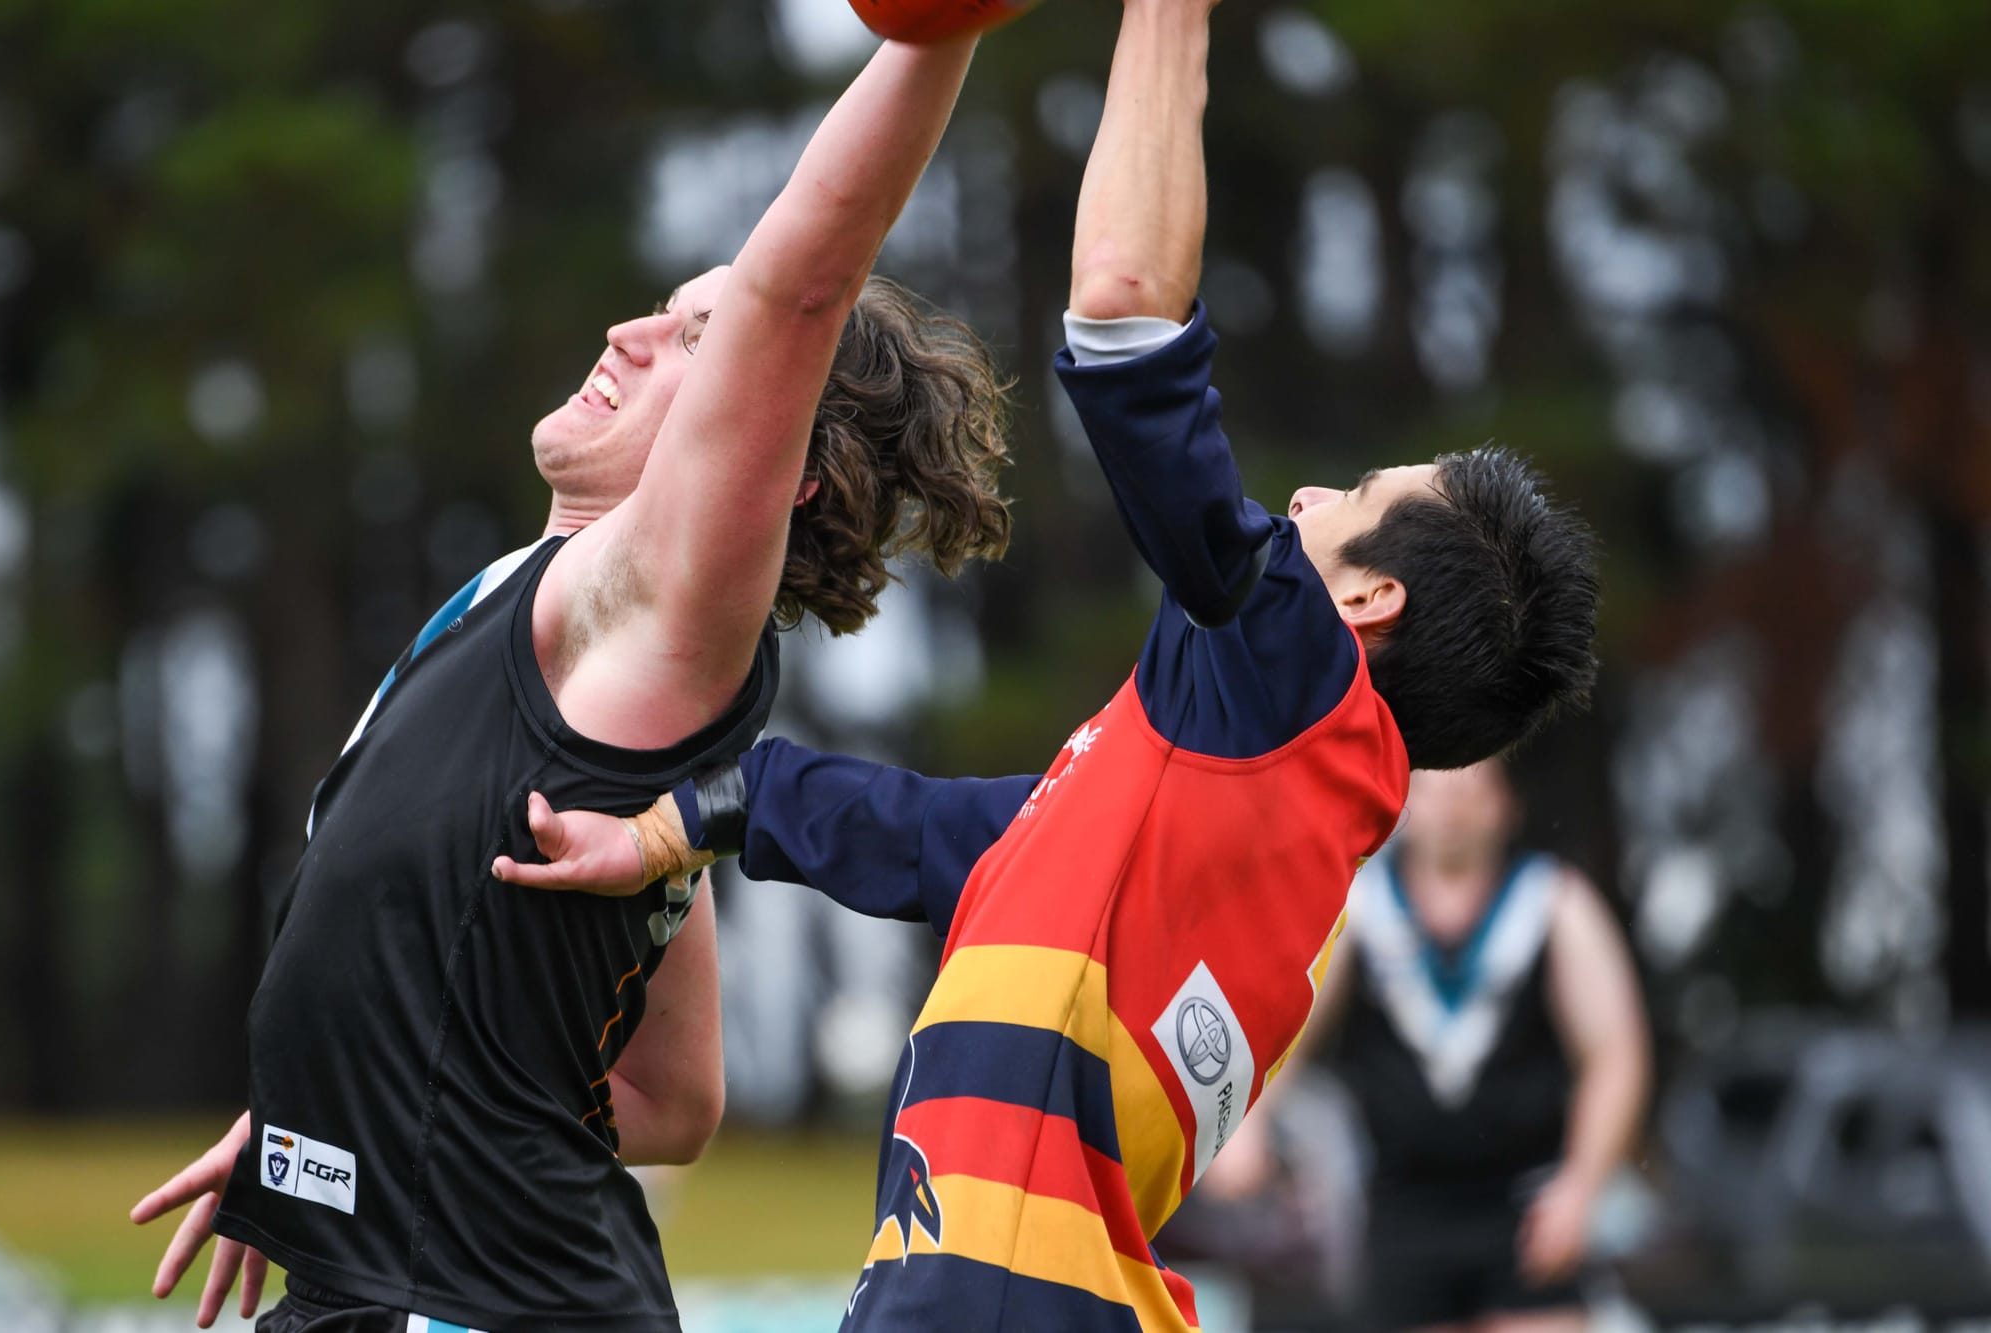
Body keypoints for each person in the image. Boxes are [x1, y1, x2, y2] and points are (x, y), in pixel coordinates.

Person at [493, 0, 1601, 1326]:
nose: (1304, 491)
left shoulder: (1296, 684)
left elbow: (1129, 320)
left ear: (1363, 598)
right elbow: (943, 832)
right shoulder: (1231, 803)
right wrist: (695, 809)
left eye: (1354, 492)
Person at [129, 32, 1013, 1333]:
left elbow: (805, 290)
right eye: (665, 308)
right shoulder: (540, 637)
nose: (630, 332)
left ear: (768, 457)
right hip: (370, 1290)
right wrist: (342, 1100)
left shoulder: (650, 607)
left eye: (695, 339)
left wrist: (935, 31)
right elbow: (675, 1098)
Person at [1321, 760, 1649, 1333]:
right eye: (1436, 791)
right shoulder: (1359, 906)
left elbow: (1617, 1055)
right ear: (1402, 805)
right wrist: (1245, 1127)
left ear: (1507, 806)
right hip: (1404, 1207)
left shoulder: (1556, 903)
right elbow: (1281, 1032)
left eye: (1473, 790)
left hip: (1527, 1208)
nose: (1453, 808)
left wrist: (1582, 1186)